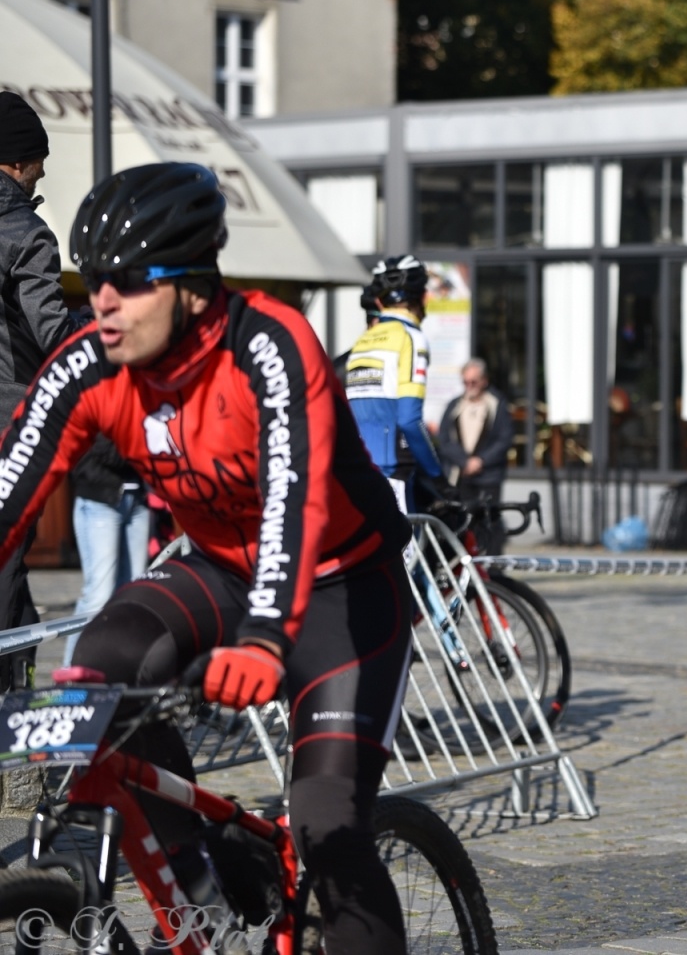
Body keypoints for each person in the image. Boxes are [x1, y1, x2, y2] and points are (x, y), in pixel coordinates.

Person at [0, 163, 414, 955]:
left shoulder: (270, 345)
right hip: (223, 566)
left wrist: (263, 638)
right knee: (103, 661)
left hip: (341, 585)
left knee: (328, 822)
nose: (101, 301)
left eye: (126, 282)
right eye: (92, 279)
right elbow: (10, 491)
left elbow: (297, 501)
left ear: (191, 287)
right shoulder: (95, 362)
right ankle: (206, 902)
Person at [0, 90, 74, 688]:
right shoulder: (24, 230)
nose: (42, 172)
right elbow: (52, 328)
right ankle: (11, 712)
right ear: (17, 161)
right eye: (38, 160)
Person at [344, 256, 448, 510]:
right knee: (405, 549)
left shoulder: (362, 343)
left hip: (359, 474)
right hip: (394, 475)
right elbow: (409, 420)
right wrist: (438, 477)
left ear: (379, 301)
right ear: (423, 298)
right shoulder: (411, 338)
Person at [62, 436, 149, 667]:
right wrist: (143, 446)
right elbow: (100, 446)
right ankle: (70, 677)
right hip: (99, 499)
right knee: (98, 595)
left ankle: (118, 671)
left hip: (138, 499)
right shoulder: (103, 403)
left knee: (132, 594)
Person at [436, 358, 514, 553]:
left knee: (490, 522)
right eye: (466, 382)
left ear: (484, 380)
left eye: (474, 381)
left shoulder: (497, 404)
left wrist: (481, 461)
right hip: (461, 476)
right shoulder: (454, 406)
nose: (469, 386)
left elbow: (504, 439)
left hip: (488, 476)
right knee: (463, 523)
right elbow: (444, 439)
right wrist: (464, 462)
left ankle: (493, 569)